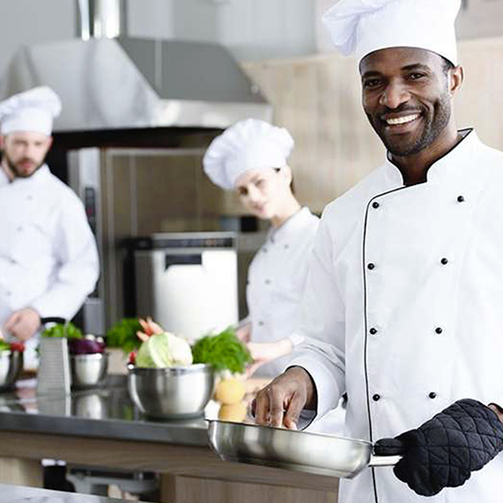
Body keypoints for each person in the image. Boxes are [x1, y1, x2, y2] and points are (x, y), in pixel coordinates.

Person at [254, 0, 503, 501]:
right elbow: (327, 346)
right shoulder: (345, 215)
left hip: (486, 485)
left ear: (452, 78)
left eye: (415, 75)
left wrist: (491, 421)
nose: (393, 98)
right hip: (374, 490)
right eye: (374, 81)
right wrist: (300, 379)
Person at [203, 119, 319, 377]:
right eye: (243, 190)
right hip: (263, 385)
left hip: (309, 389)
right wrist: (239, 331)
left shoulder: (318, 238)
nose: (252, 197)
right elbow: (269, 316)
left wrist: (277, 348)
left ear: (285, 174)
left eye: (259, 182)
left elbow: (334, 324)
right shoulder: (263, 256)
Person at [0, 86, 99, 367]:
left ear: (48, 144)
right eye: (20, 143)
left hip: (33, 349)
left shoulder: (61, 201)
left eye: (37, 144)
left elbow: (83, 271)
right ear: (2, 140)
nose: (28, 153)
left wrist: (38, 313)